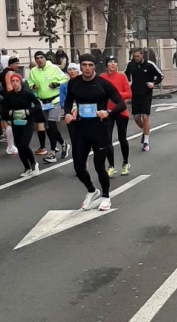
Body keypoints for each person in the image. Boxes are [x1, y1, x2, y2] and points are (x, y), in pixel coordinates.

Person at [63, 54, 126, 211]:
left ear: (95, 67)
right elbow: (68, 101)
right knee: (78, 166)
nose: (87, 68)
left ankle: (105, 196)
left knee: (99, 166)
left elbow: (121, 104)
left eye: (90, 65)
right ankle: (92, 190)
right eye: (84, 65)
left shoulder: (103, 84)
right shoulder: (73, 83)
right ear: (80, 66)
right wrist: (68, 113)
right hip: (82, 128)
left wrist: (108, 112)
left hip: (100, 128)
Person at [28, 51, 70, 163]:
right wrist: (33, 86)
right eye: (37, 58)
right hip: (43, 102)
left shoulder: (54, 68)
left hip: (55, 100)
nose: (39, 60)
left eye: (41, 57)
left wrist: (57, 84)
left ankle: (52, 153)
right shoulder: (33, 71)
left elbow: (65, 79)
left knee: (51, 124)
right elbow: (29, 83)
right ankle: (64, 144)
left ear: (45, 58)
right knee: (49, 127)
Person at [0, 73, 42, 176]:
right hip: (16, 123)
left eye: (16, 81)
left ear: (20, 82)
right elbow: (4, 109)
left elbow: (38, 104)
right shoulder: (8, 96)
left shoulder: (27, 94)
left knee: (24, 144)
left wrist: (29, 111)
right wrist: (9, 113)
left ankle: (33, 164)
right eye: (12, 81)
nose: (14, 83)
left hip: (27, 122)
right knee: (19, 146)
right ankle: (26, 167)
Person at [99, 56, 132, 176]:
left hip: (120, 110)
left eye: (115, 62)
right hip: (107, 111)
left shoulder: (122, 76)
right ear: (106, 65)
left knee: (122, 138)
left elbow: (128, 94)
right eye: (110, 62)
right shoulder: (102, 77)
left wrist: (116, 94)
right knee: (107, 139)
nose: (113, 64)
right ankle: (111, 166)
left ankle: (125, 163)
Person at [125, 48, 163, 153]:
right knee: (136, 118)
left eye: (137, 56)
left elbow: (160, 75)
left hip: (146, 94)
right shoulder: (130, 65)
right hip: (135, 94)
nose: (136, 58)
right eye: (134, 56)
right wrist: (128, 83)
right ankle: (144, 130)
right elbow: (126, 75)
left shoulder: (149, 64)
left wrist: (153, 84)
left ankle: (146, 141)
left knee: (145, 117)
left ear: (142, 55)